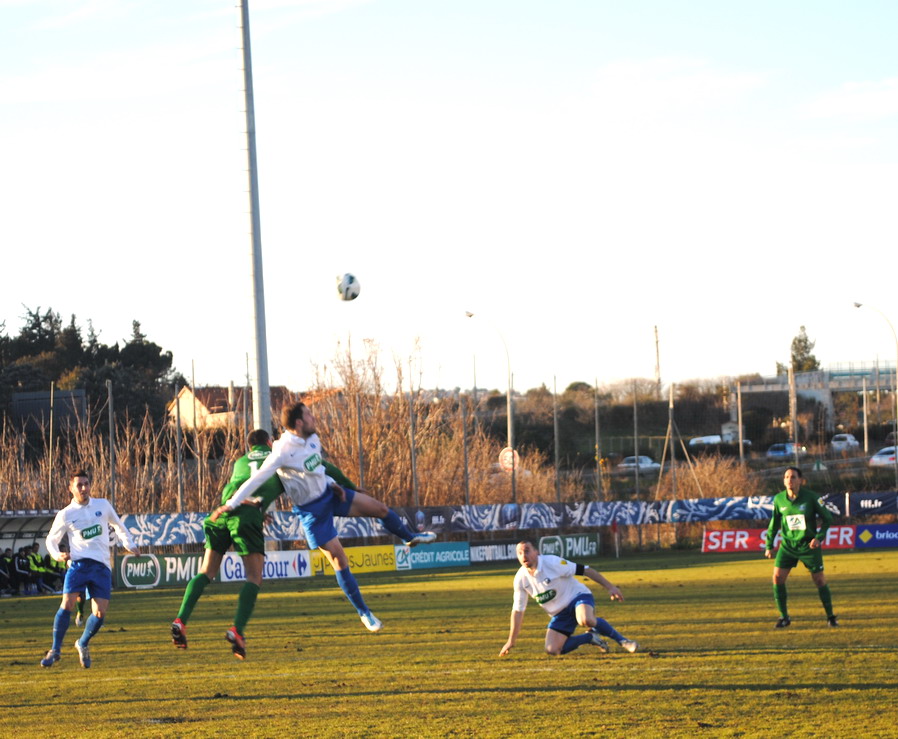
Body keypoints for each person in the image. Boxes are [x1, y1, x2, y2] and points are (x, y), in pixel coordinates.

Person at [210, 401, 436, 634]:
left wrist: (333, 483)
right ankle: (364, 613)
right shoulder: (282, 450)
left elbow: (317, 469)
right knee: (339, 559)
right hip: (311, 511)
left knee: (380, 509)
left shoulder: (313, 438)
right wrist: (231, 504)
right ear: (299, 422)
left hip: (331, 494)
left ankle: (409, 538)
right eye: (309, 415)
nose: (314, 418)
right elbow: (255, 480)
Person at [171, 429, 285, 660]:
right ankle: (237, 631)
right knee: (254, 577)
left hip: (221, 514)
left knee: (206, 571)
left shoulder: (240, 461)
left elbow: (237, 489)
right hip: (246, 516)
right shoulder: (278, 460)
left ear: (249, 446)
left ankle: (180, 620)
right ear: (270, 442)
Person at [40, 469, 140, 668]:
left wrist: (129, 543)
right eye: (79, 485)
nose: (84, 488)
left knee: (100, 613)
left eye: (86, 483)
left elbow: (119, 526)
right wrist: (57, 554)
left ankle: (82, 643)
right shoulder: (66, 514)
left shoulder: (102, 505)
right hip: (78, 565)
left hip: (101, 566)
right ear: (71, 488)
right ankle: (55, 650)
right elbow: (51, 539)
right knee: (67, 604)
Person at [499, 540, 638, 657]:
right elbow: (518, 611)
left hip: (577, 597)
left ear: (537, 552)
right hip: (559, 613)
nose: (524, 555)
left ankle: (624, 641)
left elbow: (585, 569)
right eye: (520, 553)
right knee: (552, 650)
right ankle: (590, 637)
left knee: (586, 619)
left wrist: (610, 587)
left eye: (527, 550)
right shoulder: (520, 579)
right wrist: (511, 640)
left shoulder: (552, 562)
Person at [765, 466, 837, 628]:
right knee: (777, 578)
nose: (789, 480)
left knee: (819, 580)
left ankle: (831, 617)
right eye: (786, 477)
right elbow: (774, 523)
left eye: (793, 477)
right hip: (788, 546)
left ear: (800, 480)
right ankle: (784, 617)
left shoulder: (811, 498)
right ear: (783, 481)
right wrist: (769, 545)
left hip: (809, 546)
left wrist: (819, 537)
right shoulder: (779, 499)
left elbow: (828, 519)